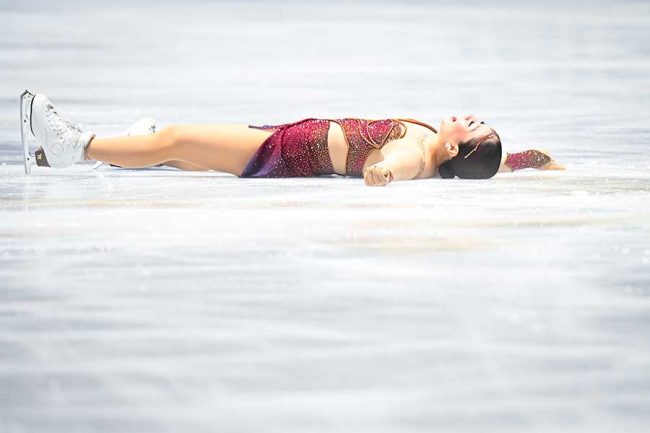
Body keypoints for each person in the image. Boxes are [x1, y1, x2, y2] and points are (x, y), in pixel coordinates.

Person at [21, 91, 563, 186]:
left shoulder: (416, 152)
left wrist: (383, 173)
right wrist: (535, 160)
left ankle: (77, 146)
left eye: (473, 127)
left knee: (177, 138)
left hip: (286, 151)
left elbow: (392, 164)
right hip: (289, 140)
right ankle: (125, 154)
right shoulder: (448, 154)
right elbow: (503, 162)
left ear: (452, 149)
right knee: (190, 156)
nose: (469, 117)